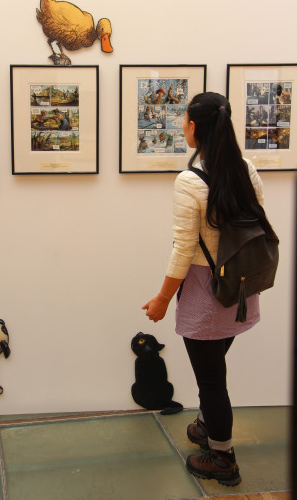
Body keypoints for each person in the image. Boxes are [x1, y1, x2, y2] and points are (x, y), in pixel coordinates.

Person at [142, 92, 277, 487]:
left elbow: (183, 249)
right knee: (215, 366)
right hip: (238, 284)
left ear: (196, 126)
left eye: (185, 119)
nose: (182, 125)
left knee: (212, 382)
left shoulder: (190, 180)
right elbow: (259, 220)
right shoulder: (245, 168)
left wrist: (163, 299)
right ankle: (206, 424)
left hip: (205, 288)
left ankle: (222, 456)